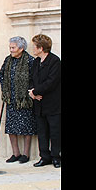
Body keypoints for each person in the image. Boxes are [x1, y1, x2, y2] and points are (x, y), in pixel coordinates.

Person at [0, 36, 37, 163]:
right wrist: (5, 90)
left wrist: (31, 91)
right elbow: (1, 74)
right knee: (11, 127)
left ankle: (25, 154)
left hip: (25, 99)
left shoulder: (30, 60)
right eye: (10, 47)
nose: (11, 50)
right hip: (11, 99)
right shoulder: (8, 60)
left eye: (13, 47)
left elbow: (35, 78)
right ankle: (15, 153)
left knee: (27, 127)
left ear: (21, 48)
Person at [28, 34, 61, 168]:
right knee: (42, 131)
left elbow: (51, 82)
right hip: (39, 103)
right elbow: (32, 79)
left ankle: (55, 157)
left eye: (34, 46)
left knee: (55, 131)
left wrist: (36, 91)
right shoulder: (36, 62)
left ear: (41, 48)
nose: (33, 49)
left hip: (53, 103)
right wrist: (32, 93)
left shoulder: (55, 61)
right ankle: (44, 157)